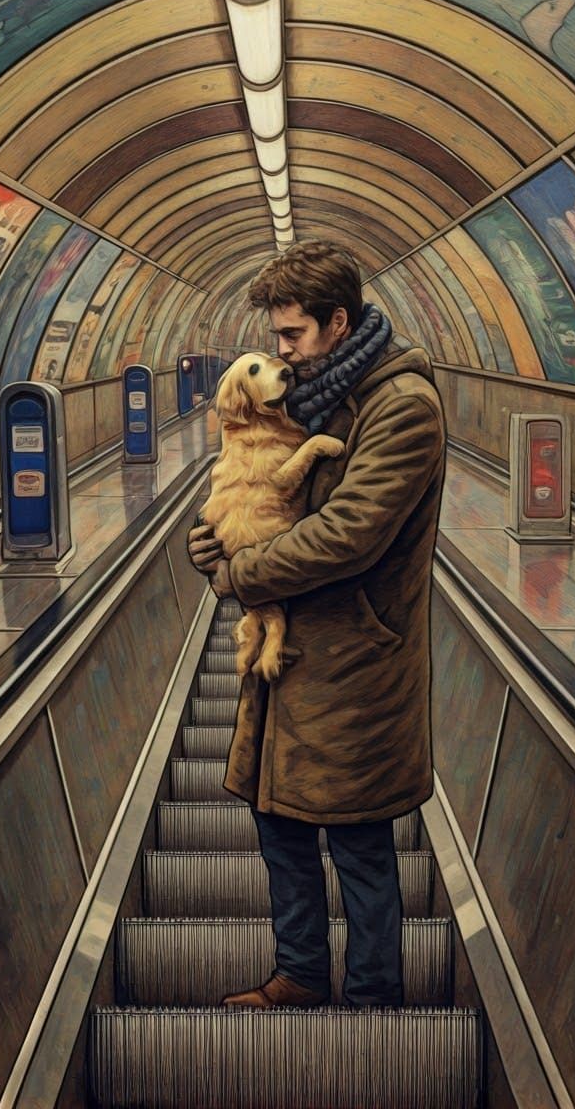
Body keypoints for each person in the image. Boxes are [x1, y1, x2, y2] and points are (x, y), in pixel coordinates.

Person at [187, 238, 446, 1010]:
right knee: (281, 828)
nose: (283, 352)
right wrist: (212, 537)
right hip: (293, 656)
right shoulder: (321, 395)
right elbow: (263, 490)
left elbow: (349, 533)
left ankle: (372, 1001)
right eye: (277, 338)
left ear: (340, 322)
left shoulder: (402, 407)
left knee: (361, 841)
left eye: (294, 335)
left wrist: (240, 574)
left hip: (358, 664)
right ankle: (299, 974)